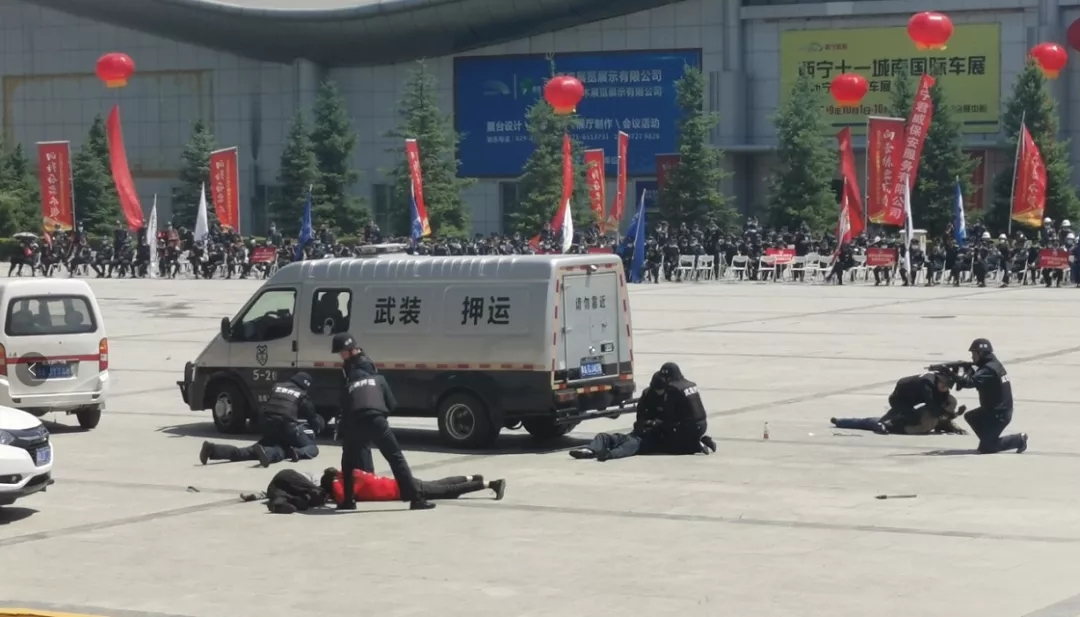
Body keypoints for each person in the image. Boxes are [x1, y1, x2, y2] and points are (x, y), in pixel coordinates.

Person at [331, 332, 434, 511]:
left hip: (355, 420)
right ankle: (416, 499)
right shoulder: (377, 377)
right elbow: (391, 403)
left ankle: (349, 501)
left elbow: (344, 404)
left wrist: (345, 428)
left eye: (341, 352)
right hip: (375, 419)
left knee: (348, 463)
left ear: (349, 350)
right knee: (395, 458)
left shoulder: (352, 373)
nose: (340, 356)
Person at [569, 362, 716, 461]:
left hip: (656, 436)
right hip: (643, 433)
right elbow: (641, 418)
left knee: (630, 445)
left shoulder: (673, 394)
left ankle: (608, 454)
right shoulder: (650, 396)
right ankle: (590, 450)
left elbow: (671, 420)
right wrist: (647, 425)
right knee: (607, 437)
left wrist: (657, 425)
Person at [199, 373, 322, 467]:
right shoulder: (301, 394)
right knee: (308, 448)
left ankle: (214, 450)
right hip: (286, 425)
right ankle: (291, 453)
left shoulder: (277, 386)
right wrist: (317, 425)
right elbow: (312, 416)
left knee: (250, 451)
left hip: (266, 423)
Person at [955, 338, 1028, 454]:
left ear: (981, 353)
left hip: (999, 414)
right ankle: (988, 440)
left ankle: (1018, 439)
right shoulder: (991, 364)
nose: (972, 357)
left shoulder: (989, 369)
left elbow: (970, 382)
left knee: (986, 448)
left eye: (974, 354)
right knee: (971, 417)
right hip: (992, 410)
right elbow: (974, 377)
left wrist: (959, 374)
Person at [831, 371, 957, 434]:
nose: (945, 388)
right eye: (943, 385)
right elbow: (932, 406)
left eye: (948, 386)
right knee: (882, 423)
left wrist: (948, 415)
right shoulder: (927, 384)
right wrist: (945, 414)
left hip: (914, 401)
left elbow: (944, 402)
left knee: (949, 401)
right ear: (938, 380)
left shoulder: (939, 387)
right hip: (900, 401)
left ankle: (939, 422)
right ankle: (842, 422)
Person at [321, 468, 506, 504]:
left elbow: (342, 497)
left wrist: (333, 485)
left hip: (405, 490)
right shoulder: (352, 473)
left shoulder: (346, 485)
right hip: (403, 482)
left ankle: (490, 484)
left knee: (446, 491)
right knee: (439, 483)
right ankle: (471, 477)